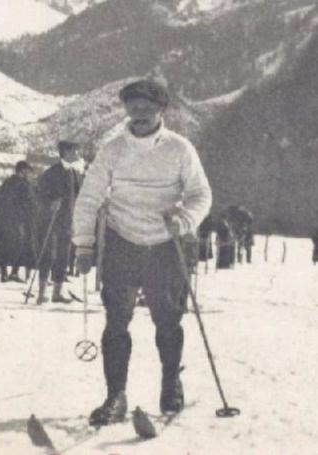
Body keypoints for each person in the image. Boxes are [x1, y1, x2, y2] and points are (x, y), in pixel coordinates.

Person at [73, 79, 212, 425]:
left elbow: (200, 195)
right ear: (127, 111)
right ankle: (115, 396)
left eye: (147, 109)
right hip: (122, 242)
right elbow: (89, 198)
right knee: (116, 321)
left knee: (168, 320)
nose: (139, 115)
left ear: (161, 111)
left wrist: (185, 219)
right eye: (133, 109)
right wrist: (83, 244)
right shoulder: (113, 150)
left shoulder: (180, 149)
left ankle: (170, 385)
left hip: (165, 245)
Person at [36, 141, 82, 304]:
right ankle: (41, 294)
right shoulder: (51, 173)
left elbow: (78, 196)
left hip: (67, 221)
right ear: (66, 152)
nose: (78, 154)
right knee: (49, 255)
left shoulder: (74, 173)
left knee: (63, 255)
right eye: (76, 150)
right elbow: (40, 195)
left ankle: (57, 293)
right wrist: (51, 203)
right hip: (51, 221)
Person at [0, 160, 38, 283]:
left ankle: (4, 273)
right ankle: (14, 272)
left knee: (4, 245)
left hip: (3, 220)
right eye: (28, 171)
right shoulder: (25, 185)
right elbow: (31, 204)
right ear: (23, 171)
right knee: (21, 245)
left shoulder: (6, 183)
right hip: (20, 220)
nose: (29, 174)